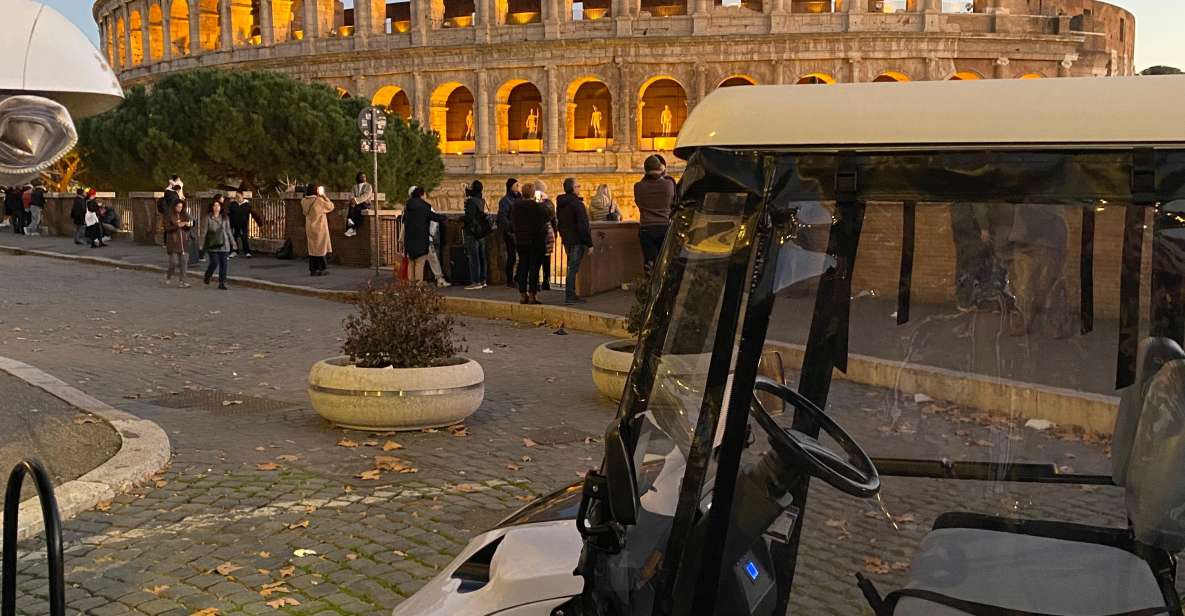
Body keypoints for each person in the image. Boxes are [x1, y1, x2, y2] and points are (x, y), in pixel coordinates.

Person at [512, 181, 552, 305]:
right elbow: (548, 216)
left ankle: (523, 294)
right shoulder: (537, 206)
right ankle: (532, 295)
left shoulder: (516, 206)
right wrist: (544, 201)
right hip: (536, 241)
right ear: (534, 193)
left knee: (523, 267)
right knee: (534, 269)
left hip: (521, 240)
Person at [556, 177, 594, 304]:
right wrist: (589, 244)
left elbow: (560, 222)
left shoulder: (561, 204)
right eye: (578, 186)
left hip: (567, 239)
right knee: (573, 268)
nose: (580, 188)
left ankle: (571, 293)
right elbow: (583, 225)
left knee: (571, 267)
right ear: (572, 189)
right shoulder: (577, 204)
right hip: (577, 240)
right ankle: (570, 295)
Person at [634, 155, 675, 271]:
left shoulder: (638, 187)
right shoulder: (668, 184)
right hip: (664, 227)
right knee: (666, 263)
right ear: (660, 169)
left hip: (646, 228)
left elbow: (639, 203)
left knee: (650, 263)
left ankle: (649, 285)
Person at [403, 186, 447, 284]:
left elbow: (403, 221)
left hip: (409, 239)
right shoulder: (424, 207)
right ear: (422, 195)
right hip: (421, 239)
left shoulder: (408, 206)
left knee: (411, 262)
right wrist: (444, 217)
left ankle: (411, 285)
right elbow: (434, 217)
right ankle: (418, 285)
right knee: (419, 262)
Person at [462, 180, 490, 289]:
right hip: (481, 232)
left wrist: (461, 218)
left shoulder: (471, 202)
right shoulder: (481, 200)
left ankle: (475, 281)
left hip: (472, 232)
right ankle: (483, 280)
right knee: (482, 256)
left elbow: (469, 217)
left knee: (474, 257)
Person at [302, 184, 335, 277]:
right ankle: (322, 268)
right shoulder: (319, 201)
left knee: (312, 250)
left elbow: (304, 213)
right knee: (321, 249)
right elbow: (331, 206)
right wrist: (324, 195)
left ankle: (313, 269)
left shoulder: (303, 201)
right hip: (320, 228)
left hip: (309, 227)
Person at [202, 200, 235, 290]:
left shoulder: (225, 218)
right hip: (212, 243)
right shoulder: (207, 217)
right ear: (212, 207)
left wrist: (233, 243)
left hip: (224, 243)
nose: (216, 208)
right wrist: (201, 244)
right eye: (215, 206)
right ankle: (208, 275)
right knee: (214, 262)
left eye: (218, 206)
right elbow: (204, 232)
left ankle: (222, 282)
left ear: (221, 207)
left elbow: (228, 231)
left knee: (223, 264)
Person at [534, 179, 558, 291]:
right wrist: (555, 231)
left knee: (536, 258)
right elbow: (554, 219)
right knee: (546, 258)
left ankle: (536, 282)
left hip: (537, 232)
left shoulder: (535, 201)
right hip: (549, 232)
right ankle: (546, 281)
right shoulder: (549, 202)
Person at [163, 200, 193, 286]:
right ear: (174, 207)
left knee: (184, 262)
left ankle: (183, 281)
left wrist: (188, 225)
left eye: (181, 207)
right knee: (174, 262)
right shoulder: (168, 215)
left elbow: (191, 223)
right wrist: (177, 225)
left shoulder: (185, 214)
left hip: (184, 241)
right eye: (178, 207)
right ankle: (168, 275)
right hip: (173, 242)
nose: (179, 209)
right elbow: (167, 228)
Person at [497, 178, 520, 287]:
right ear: (510, 187)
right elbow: (503, 217)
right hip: (510, 233)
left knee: (521, 257)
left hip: (519, 232)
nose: (518, 187)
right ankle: (510, 280)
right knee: (512, 257)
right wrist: (511, 229)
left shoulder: (519, 198)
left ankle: (518, 278)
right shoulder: (505, 201)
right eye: (516, 185)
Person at [227, 191, 260, 257]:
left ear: (242, 196)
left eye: (238, 197)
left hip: (243, 225)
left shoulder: (247, 205)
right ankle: (234, 251)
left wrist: (260, 223)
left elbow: (254, 214)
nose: (237, 198)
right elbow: (228, 213)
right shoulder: (232, 204)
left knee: (244, 238)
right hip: (233, 224)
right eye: (236, 197)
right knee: (233, 238)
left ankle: (247, 252)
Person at [346, 172, 374, 238]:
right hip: (356, 204)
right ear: (358, 178)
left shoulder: (368, 186)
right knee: (352, 206)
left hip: (366, 204)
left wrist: (356, 201)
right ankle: (351, 228)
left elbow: (366, 196)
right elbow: (351, 195)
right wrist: (353, 201)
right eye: (361, 176)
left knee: (355, 208)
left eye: (364, 176)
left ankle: (352, 226)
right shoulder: (354, 187)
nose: (363, 178)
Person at [427, 218, 450, 287]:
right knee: (433, 259)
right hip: (428, 240)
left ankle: (413, 282)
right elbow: (433, 229)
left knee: (414, 262)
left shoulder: (410, 211)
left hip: (413, 240)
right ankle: (440, 279)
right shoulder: (429, 212)